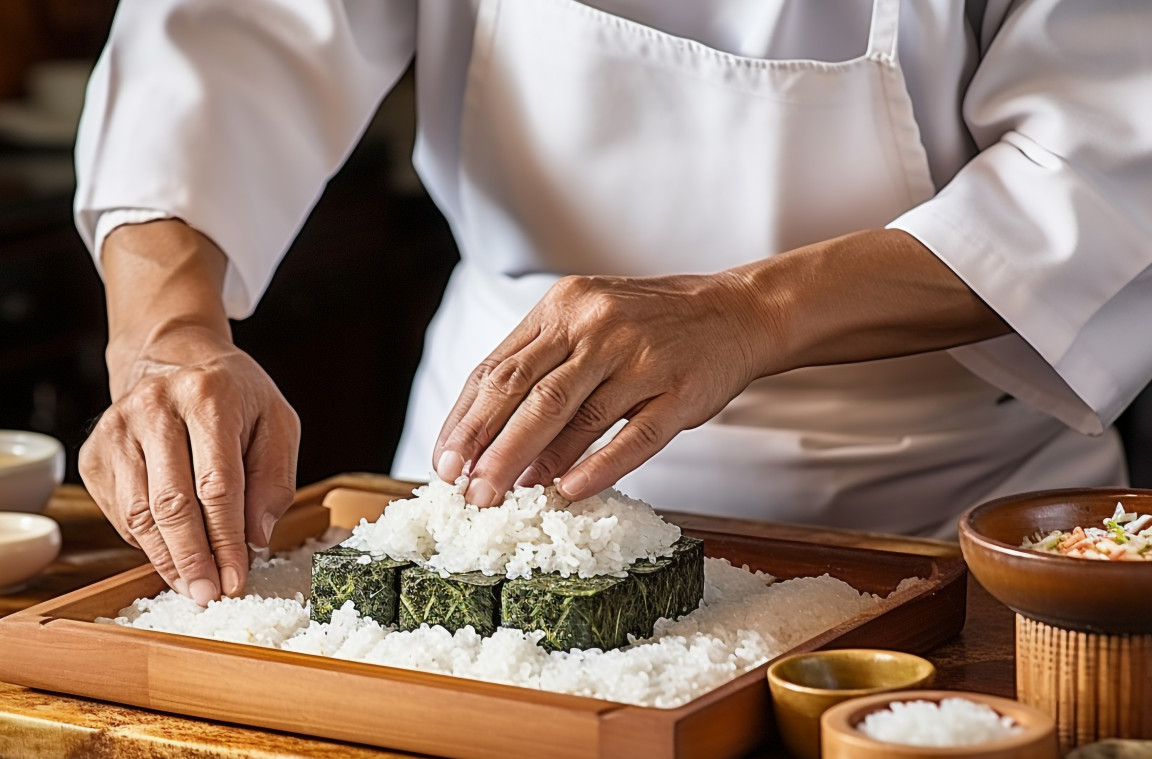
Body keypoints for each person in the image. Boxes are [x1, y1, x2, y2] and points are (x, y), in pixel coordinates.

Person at [74, 0, 1152, 605]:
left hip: (935, 515)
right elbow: (221, 35)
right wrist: (166, 338)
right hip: (489, 488)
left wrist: (749, 310)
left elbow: (1100, 179)